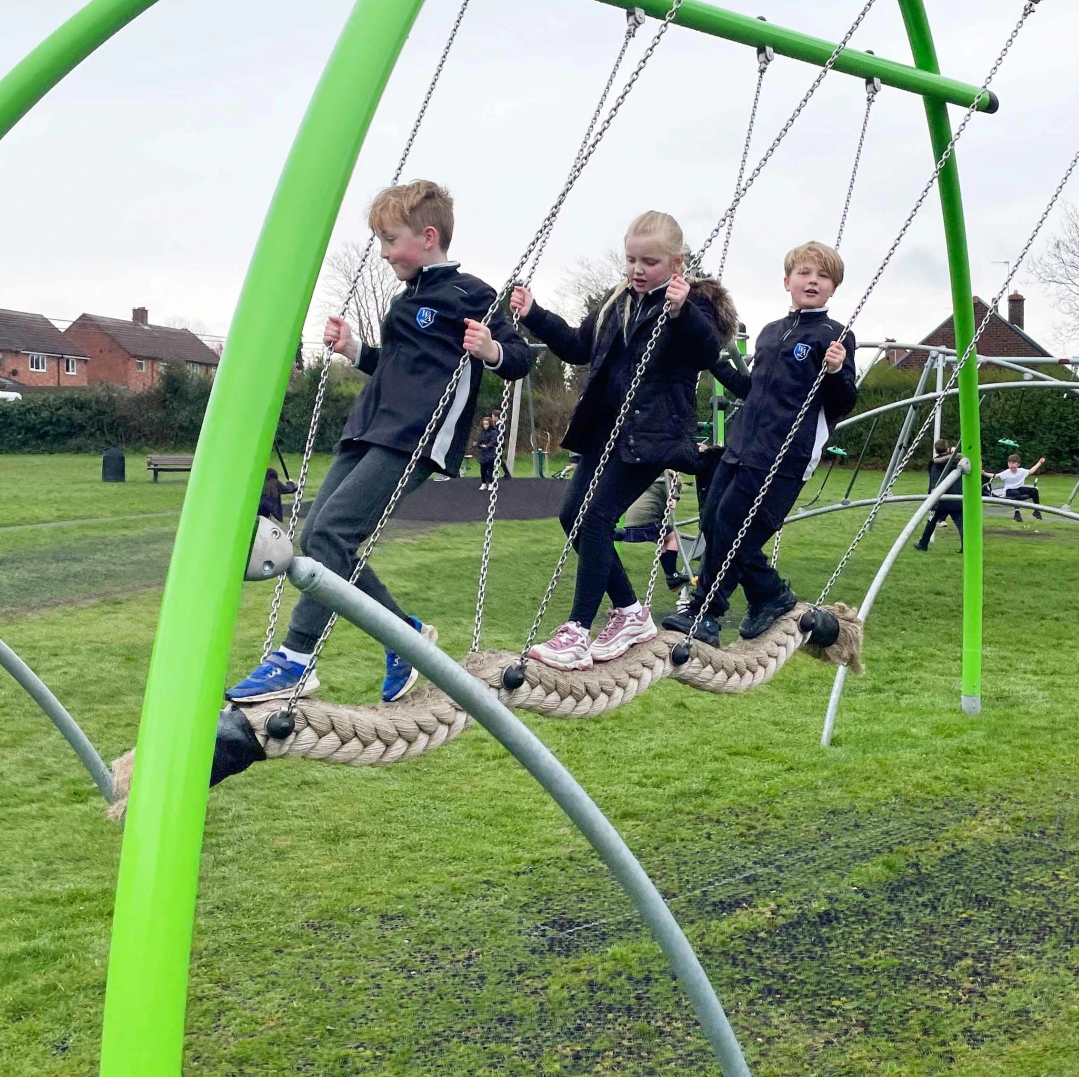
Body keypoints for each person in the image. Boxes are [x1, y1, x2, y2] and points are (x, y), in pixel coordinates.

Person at [229, 180, 532, 703]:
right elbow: (397, 370)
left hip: (414, 437)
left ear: (428, 236)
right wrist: (355, 350)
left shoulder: (471, 295)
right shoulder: (404, 298)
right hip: (368, 427)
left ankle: (298, 658)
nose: (385, 252)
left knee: (330, 538)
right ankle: (405, 639)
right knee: (320, 541)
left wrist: (489, 349)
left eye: (390, 240)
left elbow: (520, 358)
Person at [512, 210, 731, 669]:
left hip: (652, 435)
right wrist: (535, 314)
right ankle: (631, 611)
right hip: (607, 431)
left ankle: (576, 631)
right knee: (573, 515)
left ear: (676, 263)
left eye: (648, 262)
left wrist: (682, 309)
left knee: (595, 517)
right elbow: (577, 345)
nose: (636, 269)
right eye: (631, 259)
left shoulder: (689, 308)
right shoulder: (619, 302)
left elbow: (707, 348)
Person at [664, 240, 858, 645]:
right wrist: (710, 359)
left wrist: (838, 371)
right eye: (804, 273)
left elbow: (842, 401)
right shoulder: (773, 333)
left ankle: (706, 615)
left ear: (833, 288)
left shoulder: (834, 335)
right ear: (787, 281)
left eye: (823, 276)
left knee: (736, 529)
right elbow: (752, 390)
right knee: (713, 522)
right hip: (742, 447)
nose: (812, 281)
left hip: (784, 453)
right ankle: (770, 596)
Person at [620, 471, 692, 588]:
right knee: (675, 536)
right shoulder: (669, 479)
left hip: (630, 522)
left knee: (664, 540)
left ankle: (672, 577)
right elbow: (672, 501)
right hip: (646, 520)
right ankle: (672, 576)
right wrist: (674, 498)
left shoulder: (649, 477)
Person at [914, 439, 964, 552]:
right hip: (955, 498)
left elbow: (934, 481)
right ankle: (966, 546)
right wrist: (953, 453)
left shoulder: (935, 464)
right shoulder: (957, 461)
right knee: (961, 524)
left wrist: (932, 497)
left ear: (935, 450)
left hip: (940, 499)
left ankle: (923, 544)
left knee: (931, 522)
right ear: (947, 448)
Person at [989, 451, 1046, 522]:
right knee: (1016, 493)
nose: (1011, 465)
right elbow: (995, 476)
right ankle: (1017, 513)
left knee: (1034, 490)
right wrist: (983, 473)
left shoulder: (1021, 471)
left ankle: (1036, 511)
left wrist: (1040, 462)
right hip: (1009, 491)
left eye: (1013, 463)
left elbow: (1031, 471)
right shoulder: (1006, 473)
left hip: (1019, 488)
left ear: (1018, 464)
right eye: (1009, 463)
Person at [474, 411, 508, 489]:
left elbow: (494, 441)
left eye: (487, 424)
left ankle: (490, 482)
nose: (485, 426)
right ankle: (483, 482)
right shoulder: (482, 432)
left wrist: (487, 445)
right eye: (484, 424)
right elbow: (480, 440)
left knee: (490, 468)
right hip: (483, 452)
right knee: (483, 468)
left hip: (490, 452)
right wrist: (478, 444)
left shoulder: (493, 432)